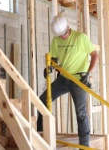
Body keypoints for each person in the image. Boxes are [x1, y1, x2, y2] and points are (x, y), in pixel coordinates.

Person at [37, 14, 98, 148]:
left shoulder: (80, 38)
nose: (63, 37)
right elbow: (53, 58)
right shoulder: (56, 40)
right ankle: (40, 135)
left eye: (64, 33)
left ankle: (84, 145)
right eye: (60, 35)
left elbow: (94, 55)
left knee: (80, 112)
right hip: (63, 78)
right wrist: (50, 66)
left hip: (78, 79)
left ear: (68, 28)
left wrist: (87, 73)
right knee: (42, 100)